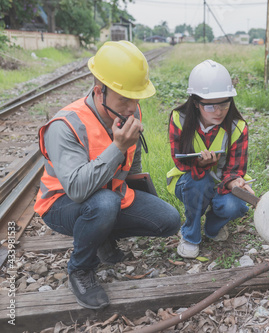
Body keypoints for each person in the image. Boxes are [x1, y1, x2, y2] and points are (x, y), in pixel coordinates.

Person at [34, 41, 181, 310]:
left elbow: (132, 167)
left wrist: (143, 194)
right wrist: (117, 147)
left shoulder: (130, 111)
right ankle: (80, 270)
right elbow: (77, 190)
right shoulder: (65, 125)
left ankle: (101, 236)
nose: (132, 106)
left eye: (136, 98)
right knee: (103, 204)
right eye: (124, 98)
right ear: (99, 91)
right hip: (60, 203)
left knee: (169, 220)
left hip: (110, 195)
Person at [167, 59, 254, 259]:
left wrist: (235, 182)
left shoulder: (237, 126)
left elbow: (236, 168)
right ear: (196, 103)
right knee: (200, 181)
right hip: (189, 183)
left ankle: (212, 228)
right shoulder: (179, 119)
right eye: (210, 106)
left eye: (224, 104)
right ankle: (190, 235)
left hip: (222, 184)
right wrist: (199, 164)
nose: (218, 111)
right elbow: (179, 162)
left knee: (237, 206)